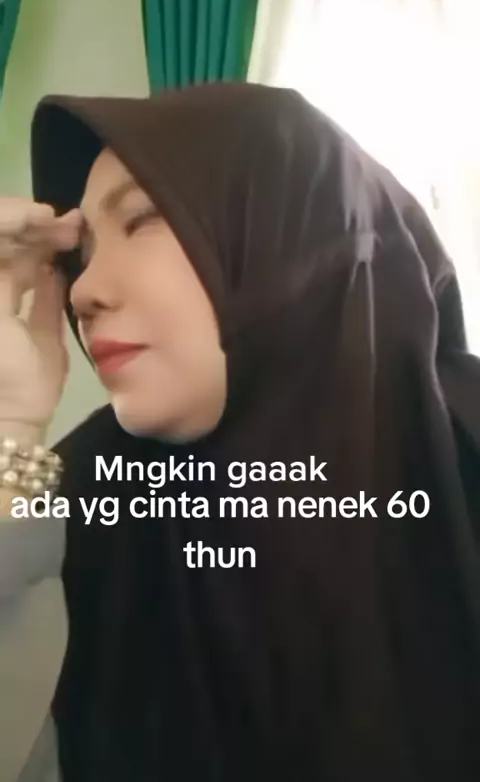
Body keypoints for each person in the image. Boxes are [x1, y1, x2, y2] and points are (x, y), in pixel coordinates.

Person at [0, 82, 479, 782]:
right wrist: (12, 426)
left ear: (289, 222)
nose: (82, 290)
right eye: (85, 251)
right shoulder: (93, 494)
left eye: (142, 220)